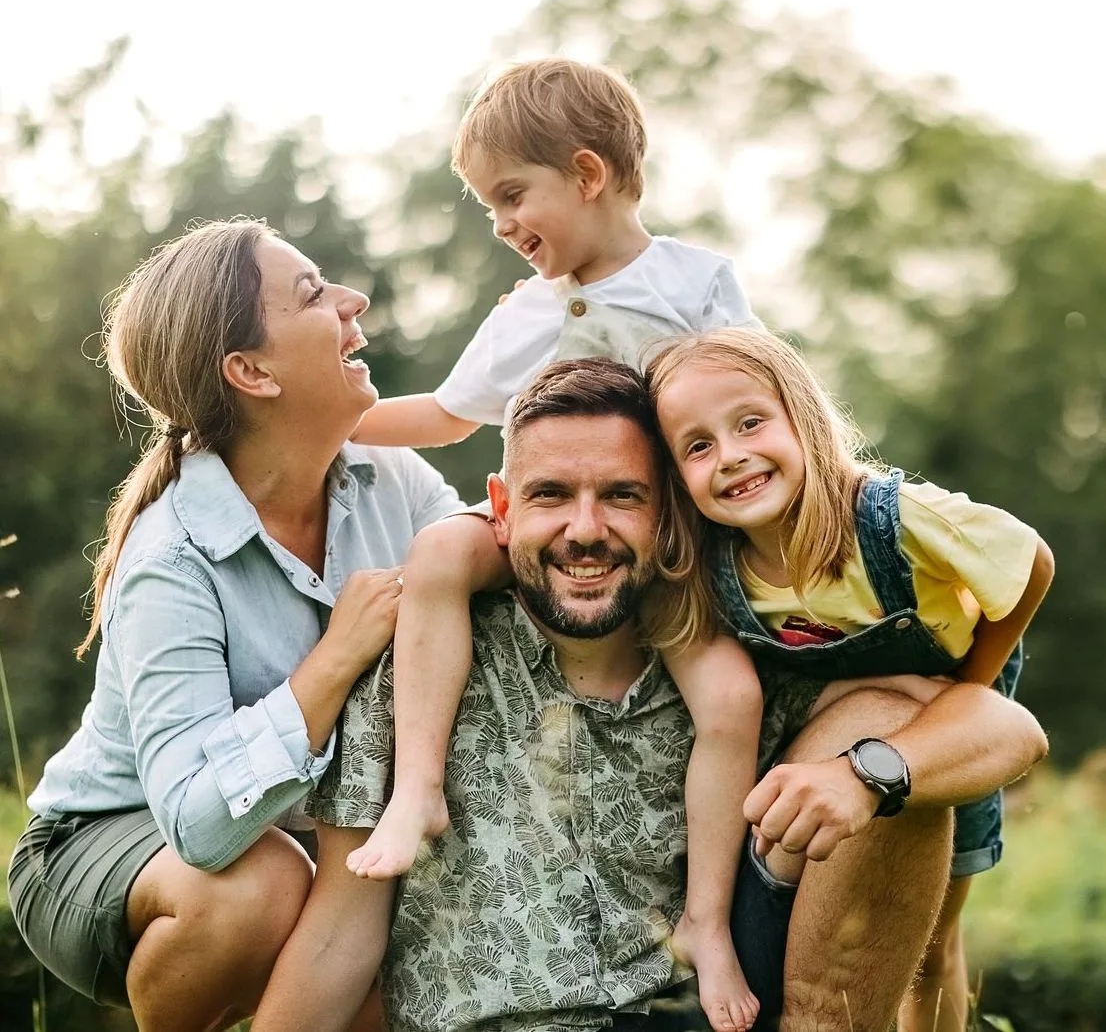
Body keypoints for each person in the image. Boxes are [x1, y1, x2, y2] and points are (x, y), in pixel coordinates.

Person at [253, 358, 1048, 1032]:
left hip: (698, 1012)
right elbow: (338, 937)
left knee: (890, 750)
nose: (586, 529)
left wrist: (865, 771)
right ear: (499, 509)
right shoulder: (415, 672)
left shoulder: (755, 659)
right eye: (551, 495)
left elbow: (1003, 728)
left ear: (669, 512)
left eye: (623, 496)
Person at [344, 57, 765, 1030]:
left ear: (585, 173)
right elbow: (448, 416)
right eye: (486, 206)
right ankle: (417, 790)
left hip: (661, 550)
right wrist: (331, 422)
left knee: (732, 697)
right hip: (543, 534)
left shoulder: (694, 283)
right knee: (442, 555)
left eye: (508, 196)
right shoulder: (521, 316)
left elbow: (756, 401)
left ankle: (702, 920)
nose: (499, 225)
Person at [5, 218, 465, 1031]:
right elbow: (196, 821)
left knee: (388, 937)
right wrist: (333, 661)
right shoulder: (171, 559)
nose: (353, 303)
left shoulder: (391, 477)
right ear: (250, 371)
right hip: (109, 842)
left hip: (297, 837)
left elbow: (472, 563)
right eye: (315, 295)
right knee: (262, 888)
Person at [646, 328, 1055, 1031]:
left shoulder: (896, 519)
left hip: (946, 730)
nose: (732, 456)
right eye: (698, 445)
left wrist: (972, 687)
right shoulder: (719, 567)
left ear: (800, 416)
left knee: (934, 945)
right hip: (837, 738)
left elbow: (1030, 563)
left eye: (750, 423)